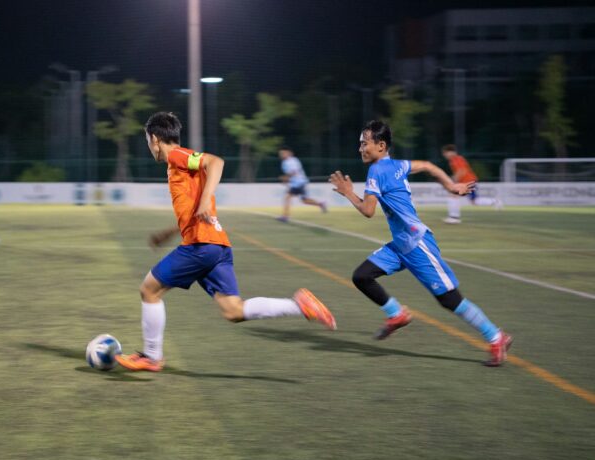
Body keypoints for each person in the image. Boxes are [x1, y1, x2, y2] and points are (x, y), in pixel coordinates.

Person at [114, 112, 336, 372]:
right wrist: (170, 231)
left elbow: (215, 162)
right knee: (234, 310)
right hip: (217, 245)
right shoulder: (178, 166)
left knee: (149, 290)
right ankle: (299, 305)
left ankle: (151, 356)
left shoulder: (176, 155)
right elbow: (192, 209)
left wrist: (208, 198)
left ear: (154, 138)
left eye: (147, 140)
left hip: (201, 246)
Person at [329, 120, 512, 366]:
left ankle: (496, 337)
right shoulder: (397, 165)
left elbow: (368, 211)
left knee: (449, 299)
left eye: (365, 144)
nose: (360, 149)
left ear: (381, 145)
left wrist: (347, 192)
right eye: (360, 144)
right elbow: (427, 165)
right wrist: (451, 186)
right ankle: (397, 314)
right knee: (362, 276)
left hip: (417, 244)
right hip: (401, 245)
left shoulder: (376, 171)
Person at [441, 144, 502, 224]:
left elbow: (461, 171)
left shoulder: (456, 159)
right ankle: (495, 201)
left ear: (451, 152)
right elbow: (460, 172)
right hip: (469, 182)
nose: (444, 155)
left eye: (445, 153)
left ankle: (454, 217)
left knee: (453, 196)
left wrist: (452, 182)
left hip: (468, 182)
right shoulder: (455, 160)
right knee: (475, 201)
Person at [277, 147, 327, 222]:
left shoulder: (291, 161)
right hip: (299, 182)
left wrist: (285, 178)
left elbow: (293, 172)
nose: (281, 155)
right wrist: (286, 179)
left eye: (283, 153)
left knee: (287, 197)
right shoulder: (286, 162)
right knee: (305, 200)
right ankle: (321, 204)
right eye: (281, 153)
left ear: (289, 153)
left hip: (298, 183)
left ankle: (285, 216)